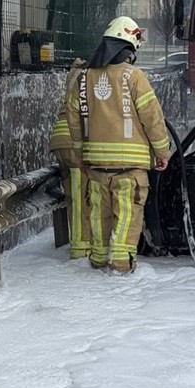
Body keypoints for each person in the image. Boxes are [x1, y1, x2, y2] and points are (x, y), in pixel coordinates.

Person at [65, 16, 172, 273]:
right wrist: (162, 152)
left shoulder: (84, 78)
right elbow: (152, 118)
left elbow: (73, 117)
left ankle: (98, 261)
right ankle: (122, 266)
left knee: (99, 216)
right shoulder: (134, 77)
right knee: (127, 216)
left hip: (96, 166)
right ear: (128, 50)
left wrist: (80, 152)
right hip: (129, 168)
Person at [49, 58, 90, 259]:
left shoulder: (73, 75)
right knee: (82, 195)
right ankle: (80, 249)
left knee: (73, 196)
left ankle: (78, 241)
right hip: (73, 139)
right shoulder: (89, 78)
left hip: (59, 138)